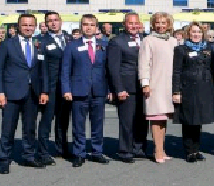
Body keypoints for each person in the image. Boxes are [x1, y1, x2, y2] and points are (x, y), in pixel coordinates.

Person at [0, 14, 45, 174]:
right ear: (18, 27)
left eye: (31, 25)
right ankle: (4, 159)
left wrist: (44, 91)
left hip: (33, 92)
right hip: (11, 93)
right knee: (8, 128)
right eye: (25, 25)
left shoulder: (39, 44)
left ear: (35, 27)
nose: (28, 28)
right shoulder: (7, 44)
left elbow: (42, 71)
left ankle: (29, 156)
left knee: (30, 128)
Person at [61, 14, 110, 168]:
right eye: (85, 24)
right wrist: (66, 89)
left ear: (97, 27)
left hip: (99, 91)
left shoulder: (104, 45)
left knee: (97, 124)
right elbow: (65, 69)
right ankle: (79, 153)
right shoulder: (72, 45)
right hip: (78, 91)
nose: (88, 27)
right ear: (81, 26)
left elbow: (109, 70)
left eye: (92, 24)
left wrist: (110, 89)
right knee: (78, 125)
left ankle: (97, 152)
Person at [172, 22, 214, 163]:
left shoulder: (208, 48)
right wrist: (176, 91)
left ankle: (197, 149)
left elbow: (212, 68)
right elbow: (176, 71)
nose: (196, 34)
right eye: (193, 32)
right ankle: (189, 151)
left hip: (204, 88)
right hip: (187, 88)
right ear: (188, 33)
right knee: (188, 120)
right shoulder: (181, 49)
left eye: (199, 32)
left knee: (199, 120)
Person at [107, 13, 149, 163]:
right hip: (127, 87)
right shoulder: (117, 42)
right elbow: (113, 68)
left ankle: (139, 148)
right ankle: (125, 151)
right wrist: (119, 89)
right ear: (124, 24)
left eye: (136, 23)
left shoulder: (145, 39)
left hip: (143, 87)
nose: (133, 26)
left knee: (142, 120)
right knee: (127, 121)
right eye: (130, 23)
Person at [138, 12, 178, 163]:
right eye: (158, 23)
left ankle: (162, 148)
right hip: (155, 84)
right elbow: (144, 63)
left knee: (163, 119)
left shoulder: (173, 41)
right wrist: (145, 83)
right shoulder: (148, 40)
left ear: (169, 24)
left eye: (164, 23)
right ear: (153, 25)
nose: (161, 26)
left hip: (169, 85)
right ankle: (158, 151)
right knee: (155, 118)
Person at [38, 11, 73, 163]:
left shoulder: (69, 39)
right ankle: (43, 152)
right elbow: (42, 68)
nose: (53, 23)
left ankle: (62, 148)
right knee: (46, 120)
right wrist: (44, 90)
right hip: (50, 87)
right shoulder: (41, 42)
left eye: (55, 20)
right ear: (46, 24)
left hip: (66, 87)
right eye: (50, 21)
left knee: (63, 119)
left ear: (61, 21)